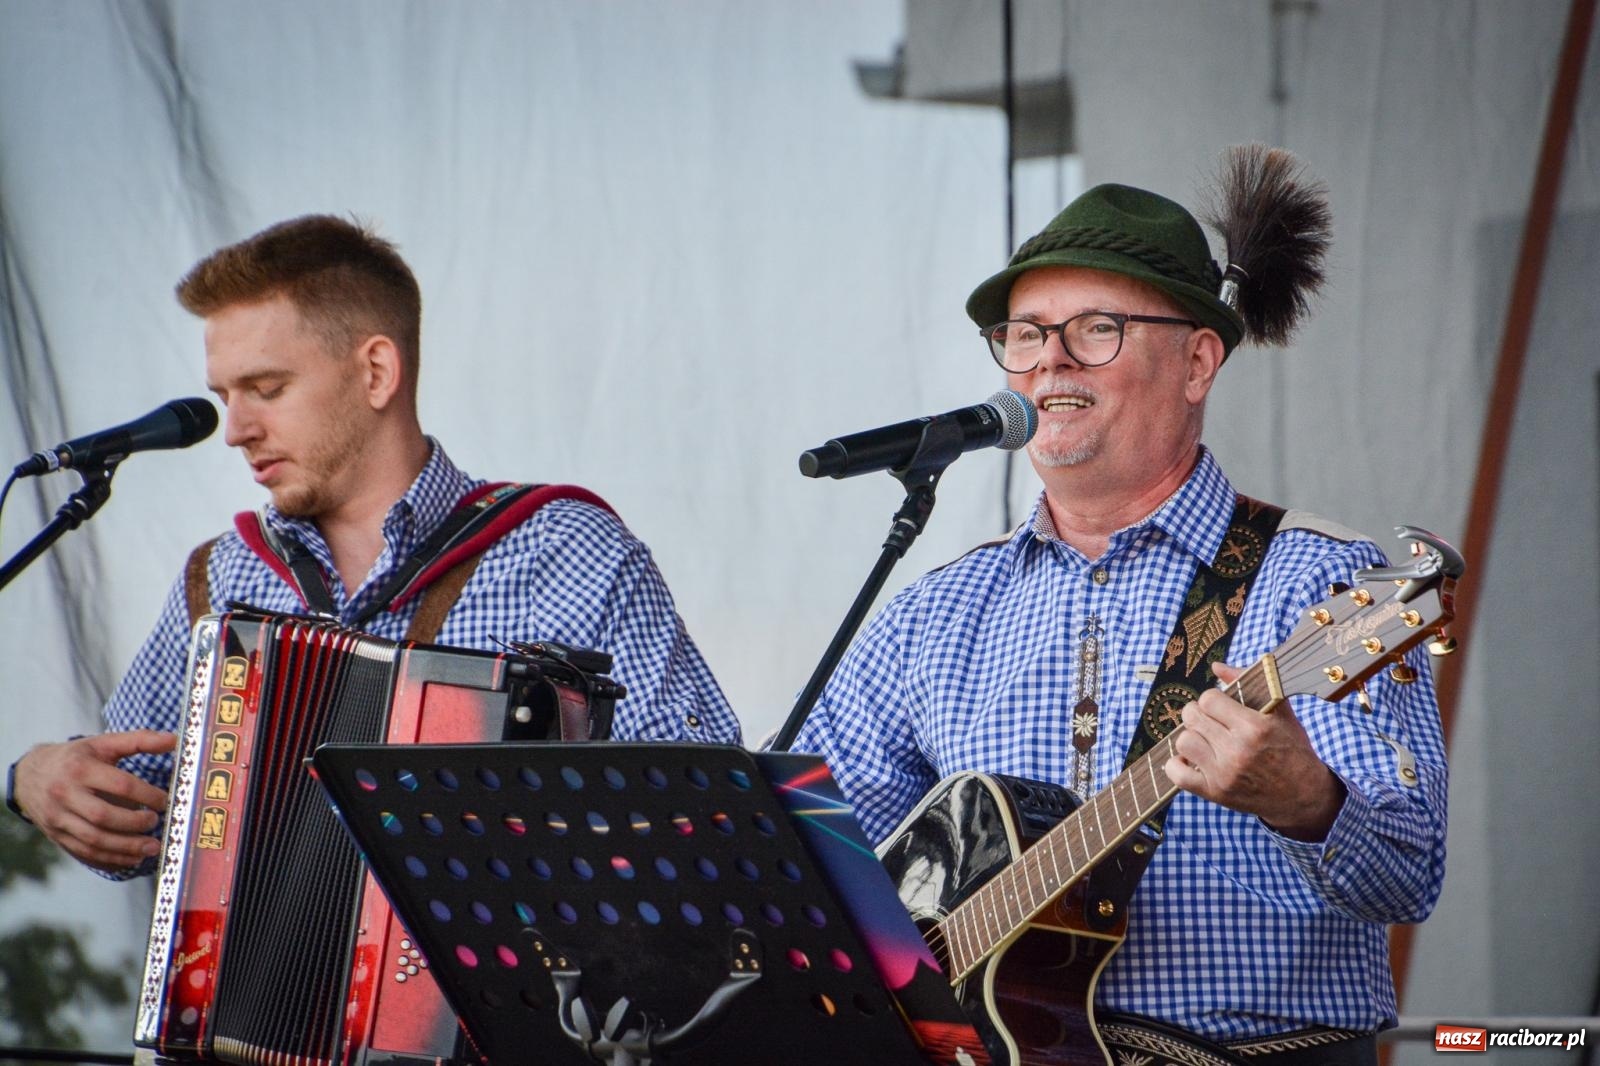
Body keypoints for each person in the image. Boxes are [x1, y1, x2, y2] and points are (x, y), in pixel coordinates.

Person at [791, 149, 1447, 1065]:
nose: (1050, 357)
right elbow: (816, 865)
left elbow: (1410, 872)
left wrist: (1309, 801)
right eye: (1025, 333)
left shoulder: (1318, 583)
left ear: (1197, 361)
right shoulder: (931, 615)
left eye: (1096, 327)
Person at [6, 214, 741, 876]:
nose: (234, 429)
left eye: (266, 387)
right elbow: (132, 815)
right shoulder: (222, 577)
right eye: (226, 394)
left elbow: (710, 811)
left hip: (494, 1020)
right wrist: (37, 779)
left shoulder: (571, 551)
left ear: (376, 372)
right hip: (241, 1023)